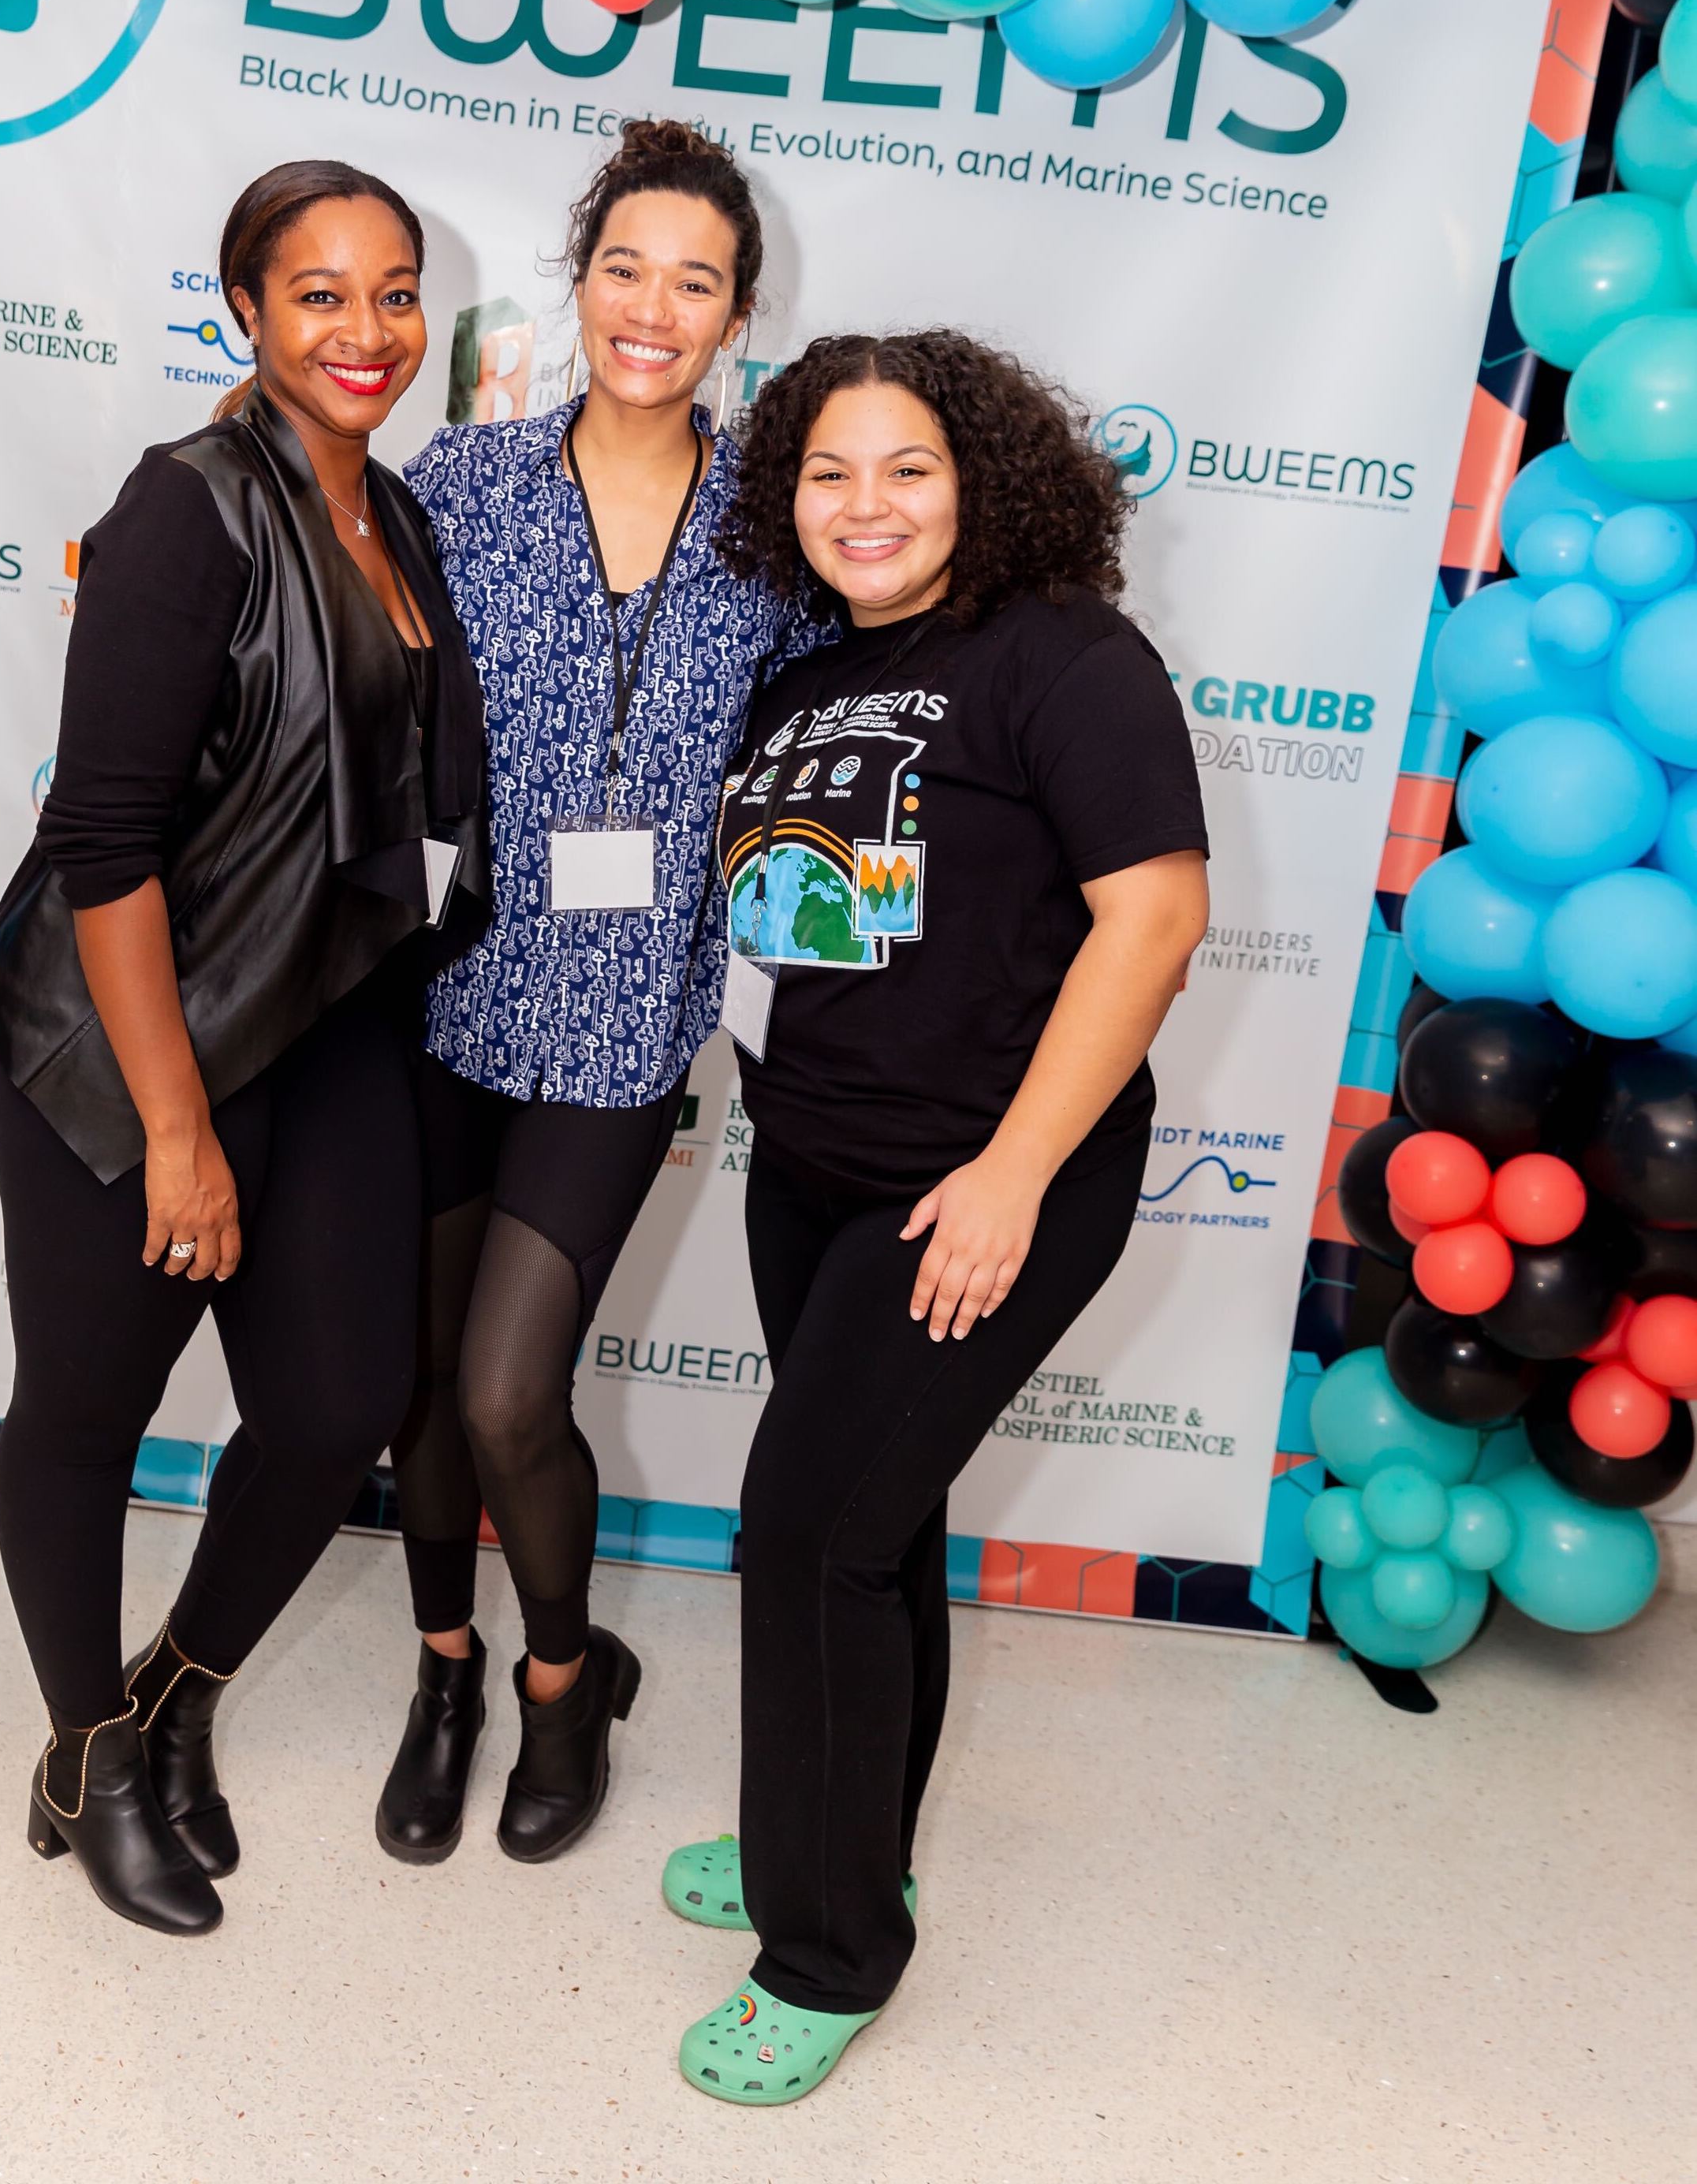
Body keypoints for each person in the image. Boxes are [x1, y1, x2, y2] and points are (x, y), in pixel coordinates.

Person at [663, 330, 1210, 2101]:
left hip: (983, 1180)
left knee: (805, 1534)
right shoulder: (805, 679)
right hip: (815, 1165)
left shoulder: (1066, 657)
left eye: (906, 467)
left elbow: (1152, 922)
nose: (865, 504)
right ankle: (838, 1833)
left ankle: (827, 1948)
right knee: (869, 1532)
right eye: (829, 471)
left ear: (979, 478)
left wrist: (1008, 1177)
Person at [0, 160, 486, 1937]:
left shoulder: (393, 516)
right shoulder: (188, 509)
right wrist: (178, 1131)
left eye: (396, 290)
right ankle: (87, 1755)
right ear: (246, 312)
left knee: (341, 1402)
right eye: (321, 293)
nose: (366, 329)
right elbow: (105, 843)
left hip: (315, 1013)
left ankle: (177, 1695)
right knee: (89, 1410)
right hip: (117, 1034)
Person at [375, 121, 830, 1868]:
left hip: (628, 1027)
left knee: (506, 1391)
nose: (654, 306)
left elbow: (829, 759)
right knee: (421, 1384)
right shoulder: (468, 482)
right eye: (626, 267)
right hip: (446, 993)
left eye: (695, 281)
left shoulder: (780, 525)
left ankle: (566, 1679)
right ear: (582, 282)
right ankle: (443, 1672)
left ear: (738, 315)